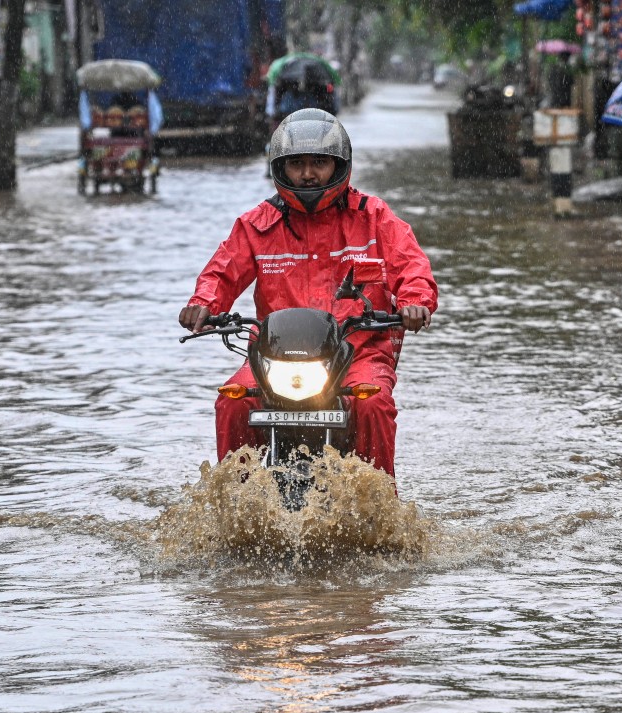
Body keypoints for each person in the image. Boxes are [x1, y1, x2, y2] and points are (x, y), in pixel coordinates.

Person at [178, 109, 438, 478]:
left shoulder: (375, 217)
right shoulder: (255, 225)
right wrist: (202, 304)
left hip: (356, 351)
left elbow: (411, 267)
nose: (308, 174)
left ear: (340, 164)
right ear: (280, 167)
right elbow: (222, 271)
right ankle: (235, 502)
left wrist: (415, 302)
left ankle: (377, 508)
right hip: (272, 359)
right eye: (297, 163)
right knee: (232, 401)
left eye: (319, 162)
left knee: (373, 404)